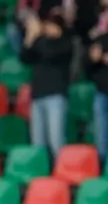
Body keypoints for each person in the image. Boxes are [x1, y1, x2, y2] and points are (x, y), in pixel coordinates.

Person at [21, 14, 73, 158]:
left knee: (56, 140)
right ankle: (41, 175)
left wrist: (36, 37)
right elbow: (24, 57)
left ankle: (61, 173)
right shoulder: (40, 43)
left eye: (51, 25)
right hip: (37, 96)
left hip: (55, 96)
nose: (47, 29)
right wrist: (29, 37)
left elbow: (49, 53)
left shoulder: (65, 44)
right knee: (38, 142)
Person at [88, 26, 108, 164]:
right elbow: (88, 70)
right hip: (102, 93)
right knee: (102, 138)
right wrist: (94, 59)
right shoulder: (100, 39)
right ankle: (103, 174)